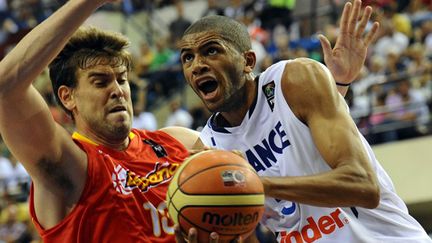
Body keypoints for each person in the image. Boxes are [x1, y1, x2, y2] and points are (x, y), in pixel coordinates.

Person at [179, 0, 432, 242]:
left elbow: (363, 185)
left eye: (210, 51)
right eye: (187, 57)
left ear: (248, 61)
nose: (197, 65)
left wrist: (258, 184)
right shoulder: (210, 148)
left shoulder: (293, 80)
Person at [0, 1, 208, 242]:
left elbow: (240, 190)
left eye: (122, 79)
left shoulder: (177, 141)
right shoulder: (71, 164)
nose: (118, 90)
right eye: (101, 82)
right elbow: (6, 87)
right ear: (68, 97)